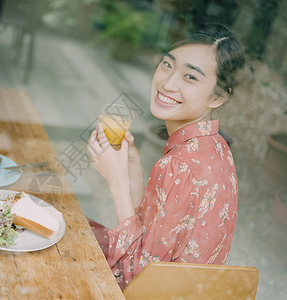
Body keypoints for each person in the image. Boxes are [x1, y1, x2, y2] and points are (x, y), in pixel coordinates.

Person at [87, 23, 245, 290]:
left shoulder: (179, 166)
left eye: (190, 77)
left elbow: (135, 279)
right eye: (167, 65)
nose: (168, 83)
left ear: (217, 97)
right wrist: (134, 169)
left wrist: (117, 183)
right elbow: (156, 235)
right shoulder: (216, 147)